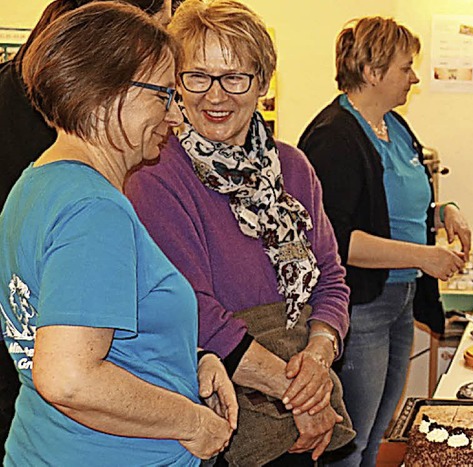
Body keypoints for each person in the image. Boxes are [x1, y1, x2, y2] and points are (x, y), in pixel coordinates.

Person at [0, 3, 237, 465]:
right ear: (110, 92)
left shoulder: (38, 182)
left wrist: (193, 360)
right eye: (164, 96)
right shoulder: (94, 209)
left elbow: (91, 331)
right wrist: (191, 421)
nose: (176, 117)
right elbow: (69, 377)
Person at [125, 1, 351, 465]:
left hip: (306, 386)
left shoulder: (293, 167)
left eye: (234, 77)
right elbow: (192, 308)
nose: (215, 95)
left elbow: (330, 276)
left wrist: (320, 354)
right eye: (198, 76)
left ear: (263, 84)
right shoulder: (155, 174)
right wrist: (302, 395)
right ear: (176, 84)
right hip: (222, 413)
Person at [298, 16, 472, 466]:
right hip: (360, 307)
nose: (414, 78)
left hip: (399, 297)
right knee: (348, 444)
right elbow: (335, 241)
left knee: (377, 434)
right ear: (372, 72)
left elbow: (401, 202)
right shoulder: (334, 137)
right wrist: (423, 256)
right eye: (405, 67)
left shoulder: (394, 127)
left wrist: (444, 211)